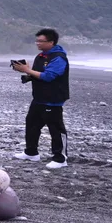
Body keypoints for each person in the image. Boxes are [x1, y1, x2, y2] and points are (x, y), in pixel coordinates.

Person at [11, 28, 70, 169]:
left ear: (51, 42)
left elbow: (49, 76)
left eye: (41, 41)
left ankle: (60, 158)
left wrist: (27, 70)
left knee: (55, 128)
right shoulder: (41, 56)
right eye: (37, 40)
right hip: (39, 97)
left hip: (53, 99)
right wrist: (27, 74)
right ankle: (31, 152)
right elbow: (38, 74)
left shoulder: (58, 58)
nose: (37, 43)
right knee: (31, 124)